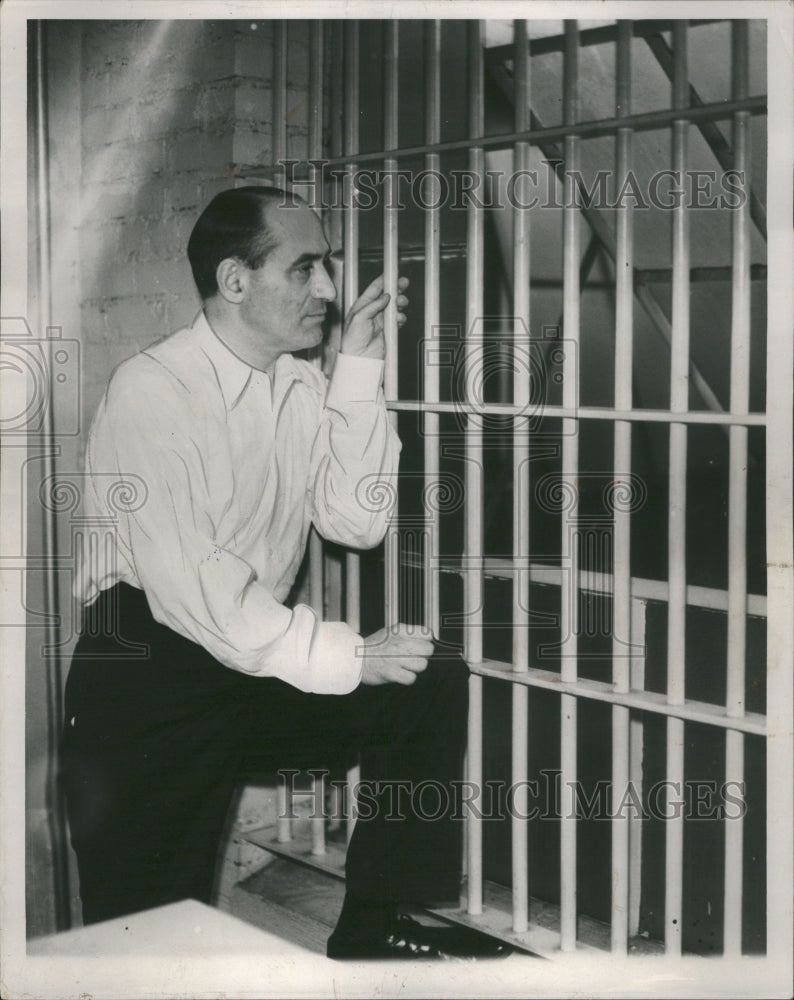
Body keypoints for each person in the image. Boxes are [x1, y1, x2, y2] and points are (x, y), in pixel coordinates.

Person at [60, 186, 510, 960]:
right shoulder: (152, 392)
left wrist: (359, 369)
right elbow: (199, 589)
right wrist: (350, 654)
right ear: (235, 281)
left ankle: (374, 926)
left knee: (426, 678)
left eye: (327, 267)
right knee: (137, 943)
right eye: (306, 268)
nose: (329, 289)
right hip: (147, 674)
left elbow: (355, 519)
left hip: (247, 658)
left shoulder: (296, 384)